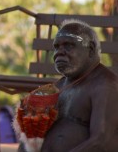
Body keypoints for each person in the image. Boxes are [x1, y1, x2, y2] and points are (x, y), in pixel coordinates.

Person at [40, 19, 118, 151]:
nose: (59, 52)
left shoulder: (105, 85)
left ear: (91, 49)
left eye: (68, 46)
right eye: (56, 47)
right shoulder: (59, 85)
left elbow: (101, 142)